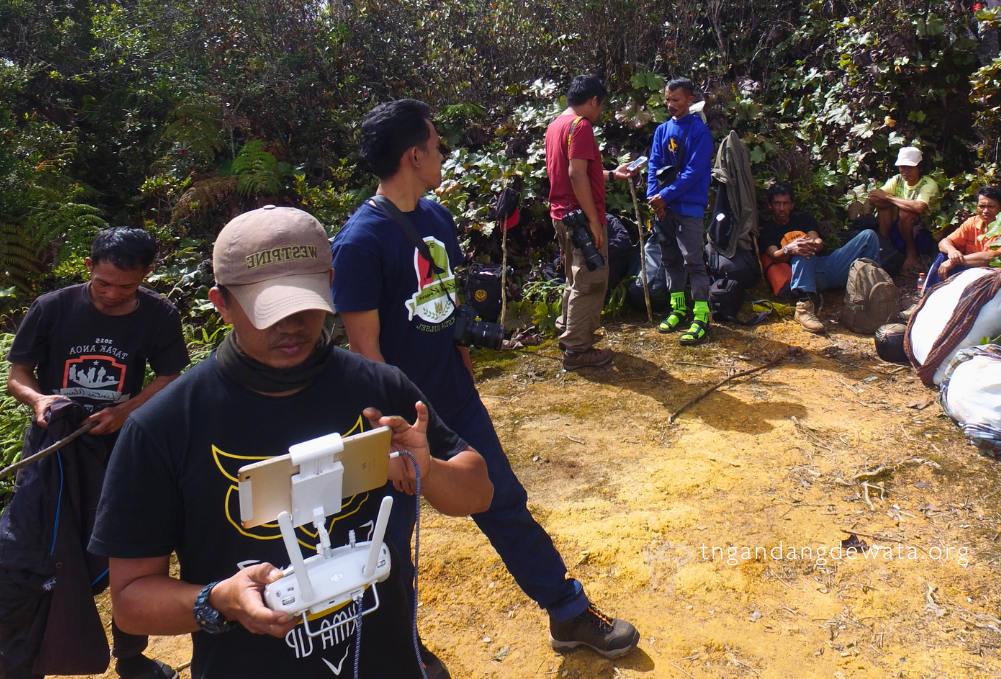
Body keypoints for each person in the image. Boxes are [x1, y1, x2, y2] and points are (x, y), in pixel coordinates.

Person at [88, 205, 492, 679]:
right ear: (221, 303)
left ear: (331, 282)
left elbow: (478, 493)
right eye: (270, 311)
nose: (292, 326)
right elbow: (131, 601)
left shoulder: (379, 387)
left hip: (384, 660)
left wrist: (429, 468)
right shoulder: (166, 425)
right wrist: (218, 600)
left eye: (307, 304)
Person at [333, 99, 640, 661]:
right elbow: (365, 353)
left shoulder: (435, 217)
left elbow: (449, 313)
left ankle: (568, 613)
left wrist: (466, 378)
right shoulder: (359, 242)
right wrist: (391, 437)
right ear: (413, 154)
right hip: (397, 418)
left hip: (454, 400)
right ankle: (402, 649)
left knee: (502, 499)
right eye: (437, 144)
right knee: (390, 537)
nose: (443, 153)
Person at [2, 227, 189, 679]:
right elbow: (18, 375)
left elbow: (170, 376)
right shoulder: (52, 308)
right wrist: (40, 401)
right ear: (88, 267)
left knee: (129, 549)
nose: (111, 294)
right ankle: (24, 658)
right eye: (103, 282)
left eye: (126, 286)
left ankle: (129, 655)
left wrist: (126, 412)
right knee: (30, 551)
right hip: (54, 451)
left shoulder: (159, 315)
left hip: (121, 448)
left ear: (146, 275)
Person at [542, 75, 638, 370]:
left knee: (575, 277)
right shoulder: (580, 126)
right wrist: (595, 222)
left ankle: (570, 329)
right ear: (594, 100)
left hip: (562, 213)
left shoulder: (557, 125)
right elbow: (575, 175)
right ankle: (577, 351)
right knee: (591, 280)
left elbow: (575, 172)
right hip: (581, 218)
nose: (599, 114)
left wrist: (611, 174)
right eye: (601, 106)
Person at [758, 184, 880, 334]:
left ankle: (875, 292)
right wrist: (789, 248)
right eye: (777, 204)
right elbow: (774, 255)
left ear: (792, 205)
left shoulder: (803, 218)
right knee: (801, 251)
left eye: (786, 203)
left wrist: (813, 244)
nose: (782, 208)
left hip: (828, 264)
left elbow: (817, 241)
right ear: (770, 206)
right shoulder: (768, 230)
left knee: (868, 235)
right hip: (810, 275)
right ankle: (803, 308)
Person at [647, 78, 714, 345]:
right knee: (670, 259)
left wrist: (664, 196)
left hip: (689, 207)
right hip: (664, 208)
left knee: (693, 261)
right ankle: (679, 309)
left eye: (676, 99)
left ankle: (701, 315)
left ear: (689, 100)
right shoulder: (662, 130)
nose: (671, 104)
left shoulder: (700, 132)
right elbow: (654, 163)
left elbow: (693, 172)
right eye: (667, 99)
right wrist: (653, 197)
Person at [922, 186, 1001, 294]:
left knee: (949, 260)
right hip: (968, 268)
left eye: (991, 206)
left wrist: (955, 261)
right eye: (981, 206)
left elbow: (990, 257)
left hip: (991, 274)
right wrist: (952, 251)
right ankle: (928, 295)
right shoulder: (972, 222)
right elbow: (944, 242)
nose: (985, 211)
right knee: (943, 255)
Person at [867, 147, 940, 274]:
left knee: (906, 213)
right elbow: (874, 197)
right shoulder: (897, 180)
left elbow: (919, 207)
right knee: (885, 207)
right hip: (898, 229)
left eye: (910, 167)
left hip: (922, 234)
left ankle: (912, 255)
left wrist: (889, 197)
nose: (905, 171)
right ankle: (884, 249)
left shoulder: (928, 184)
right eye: (902, 167)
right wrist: (890, 201)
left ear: (920, 168)